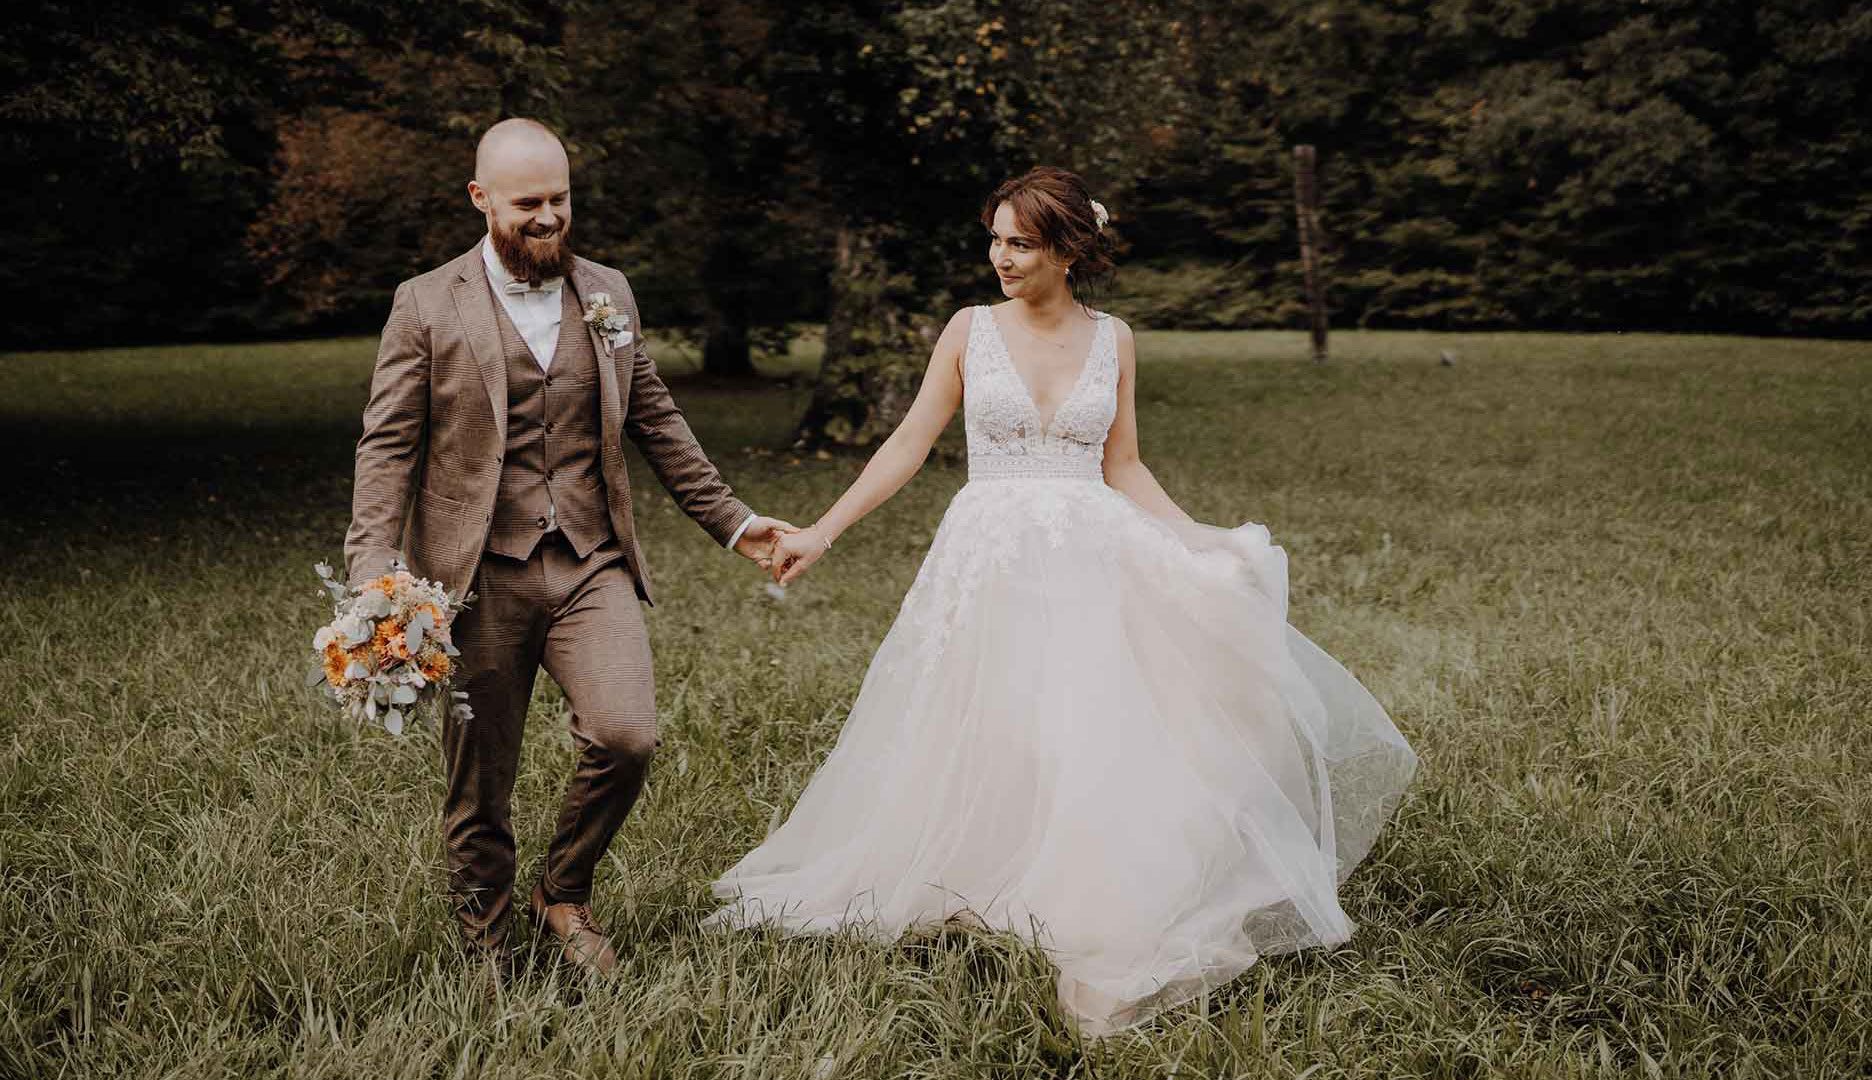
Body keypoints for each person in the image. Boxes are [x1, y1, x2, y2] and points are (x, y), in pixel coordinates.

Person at [706, 166, 1419, 1035]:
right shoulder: (970, 330)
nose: (999, 257)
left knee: (1085, 725)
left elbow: (1123, 464)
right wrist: (822, 528)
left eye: (1020, 243)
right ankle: (972, 871)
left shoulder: (1114, 338)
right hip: (991, 553)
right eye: (995, 239)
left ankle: (1074, 889)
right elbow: (907, 443)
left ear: (1068, 250)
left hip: (1090, 555)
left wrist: (1200, 540)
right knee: (987, 718)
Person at [343, 118, 794, 978]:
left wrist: (736, 523)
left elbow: (654, 417)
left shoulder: (608, 293)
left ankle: (564, 888)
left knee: (628, 737)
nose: (549, 218)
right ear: (480, 199)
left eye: (561, 200)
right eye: (528, 204)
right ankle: (485, 943)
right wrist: (373, 569)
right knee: (481, 779)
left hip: (590, 559)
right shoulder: (427, 302)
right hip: (475, 578)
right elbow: (388, 442)